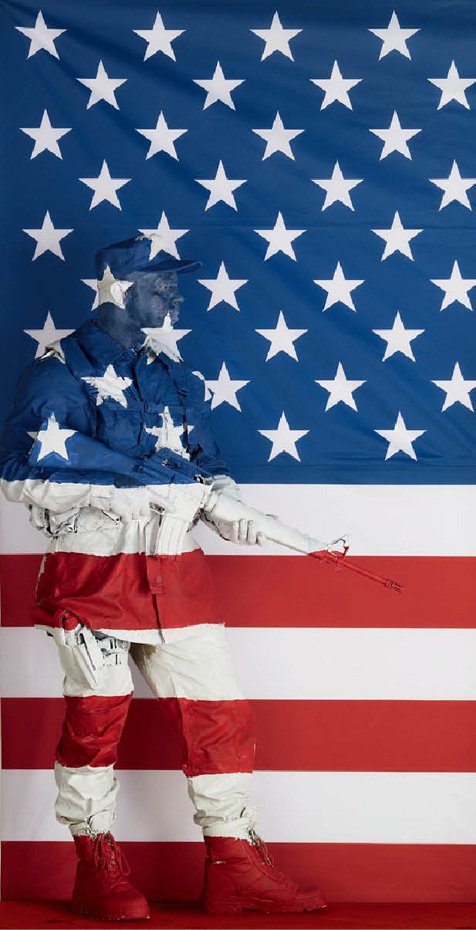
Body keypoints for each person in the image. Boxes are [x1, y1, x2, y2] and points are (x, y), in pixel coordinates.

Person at [0, 236, 326, 919]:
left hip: (176, 573)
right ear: (118, 285)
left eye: (176, 283)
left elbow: (204, 465)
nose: (175, 295)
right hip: (96, 573)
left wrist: (228, 506)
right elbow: (22, 474)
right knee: (97, 716)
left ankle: (234, 863)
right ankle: (96, 862)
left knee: (221, 715)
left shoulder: (172, 373)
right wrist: (126, 486)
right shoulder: (61, 370)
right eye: (161, 282)